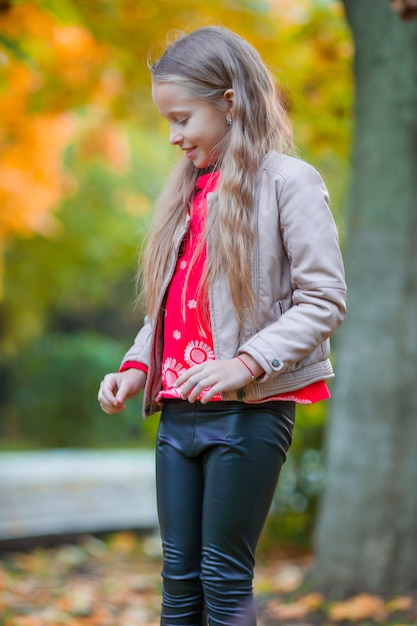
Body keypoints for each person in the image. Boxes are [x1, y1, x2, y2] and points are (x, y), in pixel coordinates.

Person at [98, 26, 346, 626]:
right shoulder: (188, 192)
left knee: (223, 579)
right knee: (178, 582)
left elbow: (324, 299)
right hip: (178, 415)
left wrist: (246, 362)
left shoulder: (289, 182)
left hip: (249, 413)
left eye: (183, 118)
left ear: (230, 101)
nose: (173, 136)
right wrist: (136, 366)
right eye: (168, 122)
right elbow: (171, 306)